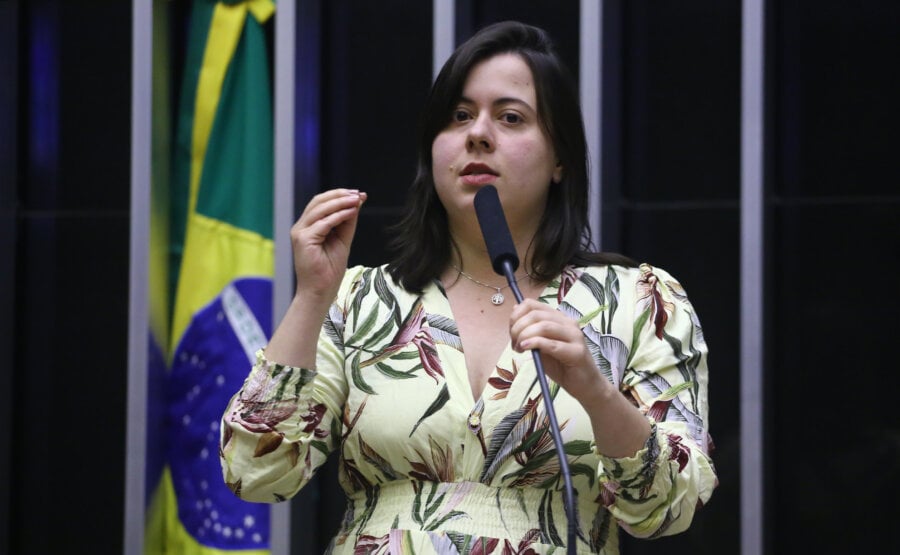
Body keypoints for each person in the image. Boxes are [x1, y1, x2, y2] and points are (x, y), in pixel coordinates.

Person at [220, 20, 717, 554]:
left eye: (510, 117)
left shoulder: (639, 302)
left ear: (560, 159)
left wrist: (595, 392)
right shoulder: (358, 299)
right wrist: (312, 295)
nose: (478, 133)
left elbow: (670, 508)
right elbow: (256, 472)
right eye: (459, 116)